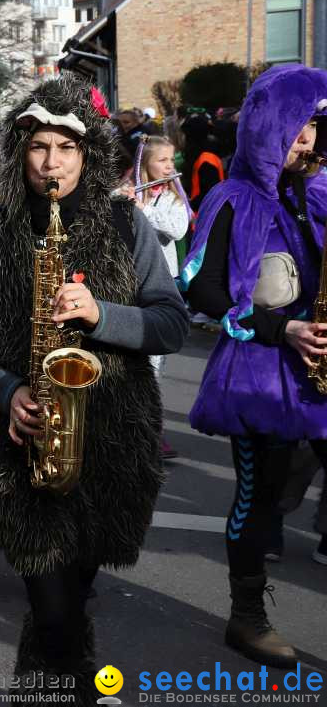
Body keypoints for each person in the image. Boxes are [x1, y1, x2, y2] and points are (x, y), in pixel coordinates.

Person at [0, 76, 188, 701]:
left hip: (112, 444)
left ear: (88, 153)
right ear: (21, 152)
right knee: (55, 610)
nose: (51, 163)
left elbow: (172, 324)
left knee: (68, 606)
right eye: (38, 146)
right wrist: (4, 389)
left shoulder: (127, 224)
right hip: (16, 444)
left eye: (66, 148)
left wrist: (102, 314)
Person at [181, 64, 327, 669]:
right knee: (258, 498)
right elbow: (200, 288)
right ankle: (247, 619)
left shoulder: (320, 191)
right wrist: (281, 327)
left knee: (280, 487)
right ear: (268, 126)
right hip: (261, 370)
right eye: (298, 128)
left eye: (315, 128)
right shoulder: (230, 198)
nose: (309, 141)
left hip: (318, 370)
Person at [130, 135, 190, 460]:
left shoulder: (172, 199)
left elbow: (178, 230)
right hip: (131, 285)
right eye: (163, 161)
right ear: (145, 165)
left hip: (162, 287)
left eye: (171, 160)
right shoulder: (130, 191)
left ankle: (152, 432)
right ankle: (134, 429)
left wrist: (145, 213)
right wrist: (124, 202)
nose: (170, 166)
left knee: (154, 364)